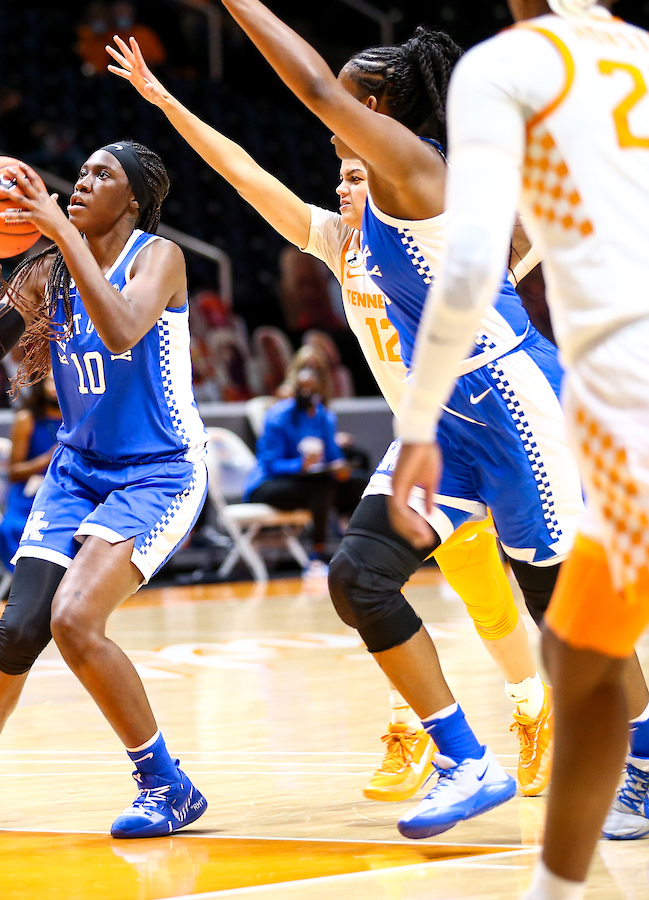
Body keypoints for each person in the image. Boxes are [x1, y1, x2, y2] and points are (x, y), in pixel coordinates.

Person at [108, 33, 555, 803]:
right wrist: (165, 101)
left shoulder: (433, 225)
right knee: (377, 578)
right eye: (342, 178)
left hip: (493, 417)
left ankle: (531, 710)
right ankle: (436, 730)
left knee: (500, 596)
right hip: (428, 437)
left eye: (357, 173)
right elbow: (244, 174)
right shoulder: (338, 243)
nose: (348, 187)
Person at [212, 1, 602, 838]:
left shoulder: (413, 167)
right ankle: (465, 759)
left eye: (349, 103)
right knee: (359, 576)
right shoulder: (380, 204)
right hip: (442, 418)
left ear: (377, 112)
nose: (329, 122)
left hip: (507, 400)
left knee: (554, 607)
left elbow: (312, 82)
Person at [387, 1, 649, 895]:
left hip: (623, 389)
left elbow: (469, 269)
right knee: (581, 654)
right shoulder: (640, 54)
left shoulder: (508, 66)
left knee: (580, 659)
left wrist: (418, 422)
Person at [0, 140, 209, 840]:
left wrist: (56, 232)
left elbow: (118, 331)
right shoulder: (49, 267)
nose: (81, 183)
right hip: (78, 470)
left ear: (134, 197)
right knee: (20, 628)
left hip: (159, 469)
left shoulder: (156, 258)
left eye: (100, 175)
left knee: (75, 621)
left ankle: (164, 785)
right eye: (78, 173)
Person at [241, 348, 366, 563]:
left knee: (359, 481)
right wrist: (301, 465)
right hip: (269, 484)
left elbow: (333, 456)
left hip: (309, 481)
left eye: (312, 389)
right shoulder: (278, 416)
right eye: (303, 388)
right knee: (320, 487)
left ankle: (356, 544)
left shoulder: (324, 417)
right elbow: (271, 465)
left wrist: (340, 469)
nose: (307, 394)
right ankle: (318, 554)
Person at [0, 375, 62, 569]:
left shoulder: (78, 418)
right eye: (49, 381)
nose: (55, 387)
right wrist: (47, 459)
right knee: (14, 528)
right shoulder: (27, 419)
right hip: (30, 494)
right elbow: (13, 471)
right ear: (39, 384)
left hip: (65, 490)